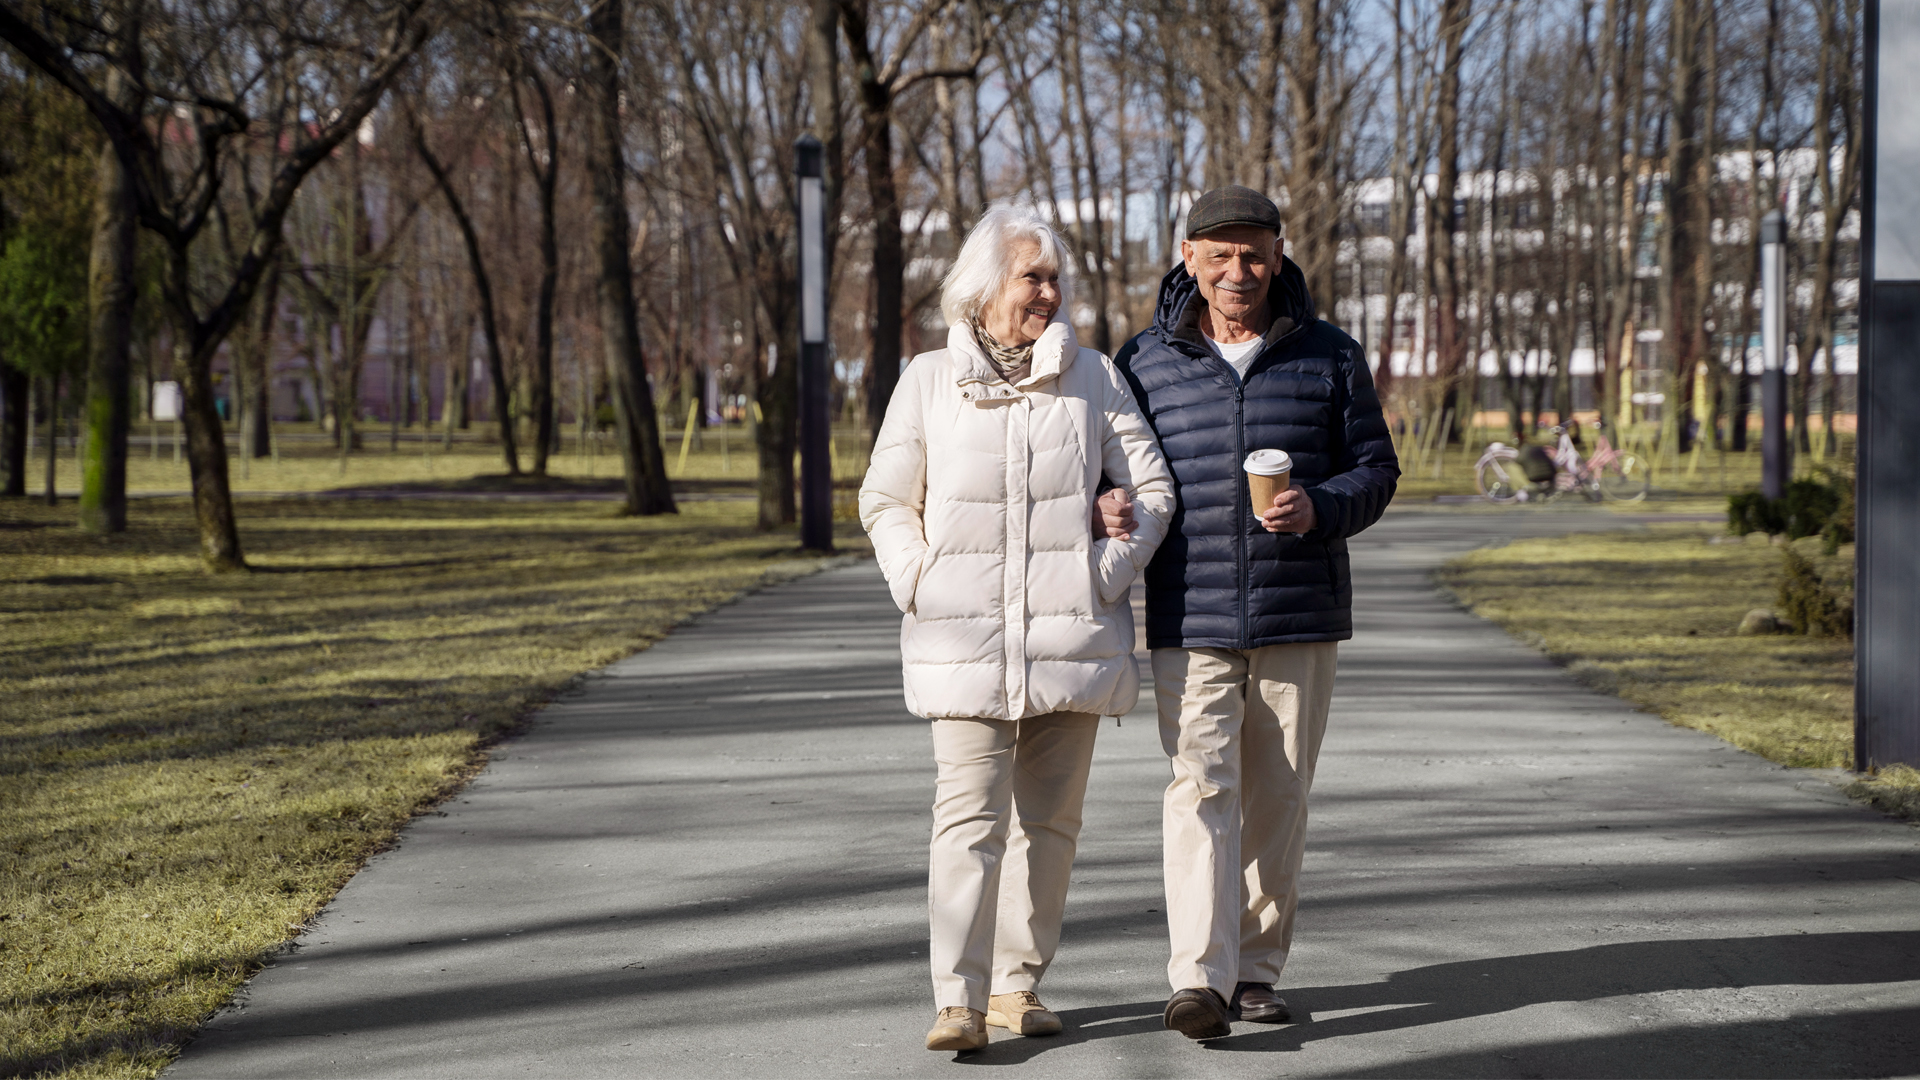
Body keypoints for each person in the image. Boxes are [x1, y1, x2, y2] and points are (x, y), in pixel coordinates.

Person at [861, 205, 1175, 1053]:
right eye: (1032, 276)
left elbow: (1151, 492)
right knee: (966, 822)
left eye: (1053, 277)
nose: (1049, 291)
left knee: (1051, 827)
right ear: (983, 285)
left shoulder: (1095, 378)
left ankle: (1017, 988)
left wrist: (1103, 572)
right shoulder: (927, 380)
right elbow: (886, 499)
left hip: (1070, 642)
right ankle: (956, 1000)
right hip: (960, 643)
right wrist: (917, 582)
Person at [1099, 185, 1399, 1040]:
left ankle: (1255, 971)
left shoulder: (1330, 354)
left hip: (1298, 611)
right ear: (1188, 256)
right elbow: (1109, 474)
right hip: (1189, 614)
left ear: (1279, 251)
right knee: (1200, 788)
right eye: (1221, 253)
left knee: (1277, 795)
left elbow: (1375, 470)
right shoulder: (1143, 361)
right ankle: (1199, 975)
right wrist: (1106, 505)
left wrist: (1321, 506)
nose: (1240, 270)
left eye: (1255, 251)